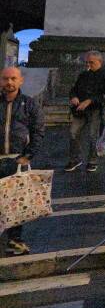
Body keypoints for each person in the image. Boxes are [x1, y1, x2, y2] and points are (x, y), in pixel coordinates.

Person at [0, 66, 44, 256]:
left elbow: (38, 131)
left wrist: (28, 156)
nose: (9, 82)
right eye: (5, 78)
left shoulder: (30, 104)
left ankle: (14, 240)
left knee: (16, 204)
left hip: (17, 160)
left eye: (13, 78)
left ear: (20, 81)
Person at [67, 50, 105, 172]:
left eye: (91, 62)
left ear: (100, 62)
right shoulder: (83, 75)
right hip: (79, 110)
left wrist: (90, 100)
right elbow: (74, 89)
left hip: (95, 110)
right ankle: (75, 159)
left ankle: (92, 160)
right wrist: (74, 97)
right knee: (73, 133)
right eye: (87, 62)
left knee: (93, 136)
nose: (88, 65)